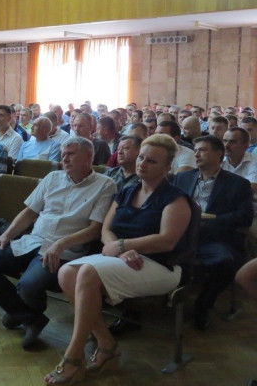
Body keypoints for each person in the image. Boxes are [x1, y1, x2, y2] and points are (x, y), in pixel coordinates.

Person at [44, 135, 191, 385]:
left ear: (167, 168)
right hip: (124, 259)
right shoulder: (127, 190)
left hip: (160, 265)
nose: (142, 163)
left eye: (152, 161)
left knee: (87, 271)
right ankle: (106, 344)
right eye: (141, 157)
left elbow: (167, 241)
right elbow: (106, 230)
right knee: (67, 272)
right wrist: (121, 249)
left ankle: (74, 355)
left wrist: (124, 245)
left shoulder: (175, 198)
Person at [0, 137, 116, 350]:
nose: (64, 159)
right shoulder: (53, 177)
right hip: (32, 241)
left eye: (71, 154)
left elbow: (95, 229)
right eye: (63, 154)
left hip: (64, 250)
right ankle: (29, 317)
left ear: (88, 156)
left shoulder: (104, 184)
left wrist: (61, 243)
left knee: (29, 284)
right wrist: (6, 235)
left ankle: (20, 312)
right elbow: (30, 212)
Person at [173, 135, 253, 330]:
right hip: (181, 236)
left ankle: (204, 304)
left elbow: (245, 217)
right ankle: (168, 298)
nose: (196, 154)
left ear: (219, 154)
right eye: (195, 150)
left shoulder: (238, 183)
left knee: (224, 262)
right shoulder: (183, 178)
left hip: (214, 238)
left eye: (202, 150)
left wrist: (211, 223)